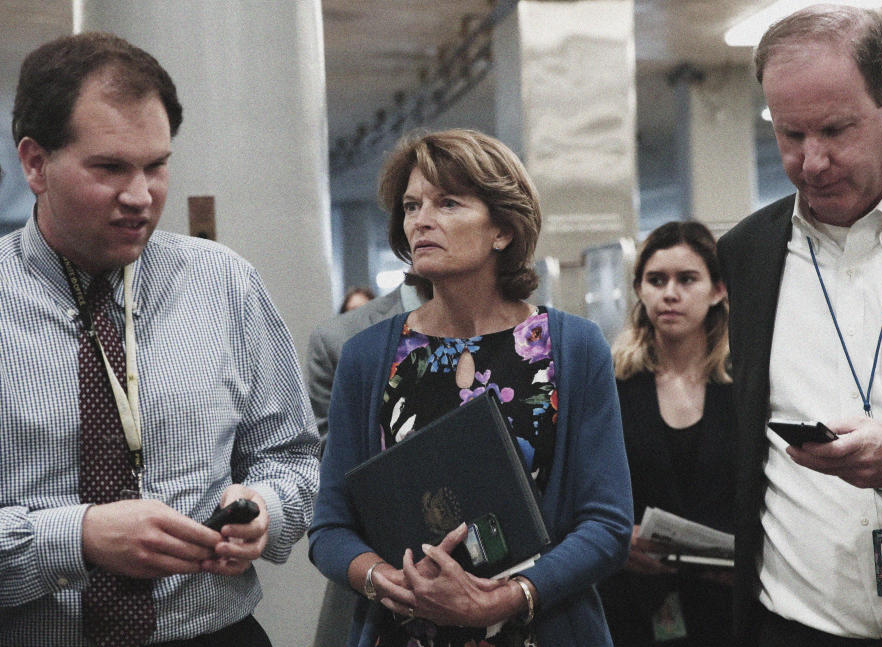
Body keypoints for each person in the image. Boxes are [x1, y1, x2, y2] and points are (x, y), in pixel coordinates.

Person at [0, 32, 319, 645]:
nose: (141, 197)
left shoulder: (223, 283)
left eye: (156, 165)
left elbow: (295, 457)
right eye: (110, 168)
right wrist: (80, 537)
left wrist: (265, 511)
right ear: (36, 164)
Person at [308, 128, 633, 647]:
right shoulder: (368, 357)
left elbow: (608, 524)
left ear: (502, 230)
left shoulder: (574, 347)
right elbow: (329, 528)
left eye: (448, 203)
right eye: (411, 206)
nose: (420, 220)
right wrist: (382, 579)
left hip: (539, 630)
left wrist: (506, 598)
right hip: (406, 632)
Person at [717, 5, 882, 645]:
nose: (813, 161)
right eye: (790, 135)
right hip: (793, 623)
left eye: (835, 129)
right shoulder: (748, 252)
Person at [598, 221, 735, 647]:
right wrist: (617, 537)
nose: (669, 293)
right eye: (656, 280)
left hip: (728, 605)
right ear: (639, 289)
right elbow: (582, 489)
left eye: (687, 279)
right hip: (635, 605)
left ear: (717, 290)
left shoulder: (745, 385)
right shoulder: (610, 385)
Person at [306, 281, 425, 647]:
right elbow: (332, 484)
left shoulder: (528, 335)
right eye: (409, 216)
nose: (423, 222)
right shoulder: (343, 341)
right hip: (378, 584)